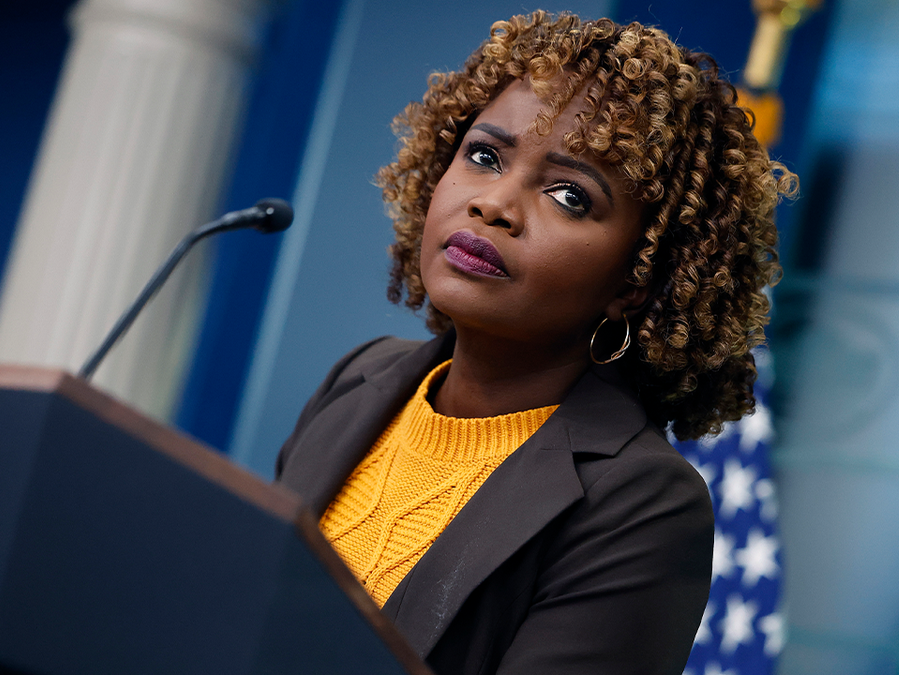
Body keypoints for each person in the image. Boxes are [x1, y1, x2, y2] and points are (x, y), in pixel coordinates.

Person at [274, 10, 797, 675]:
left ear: (639, 279)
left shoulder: (641, 503)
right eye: (485, 155)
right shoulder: (360, 378)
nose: (495, 203)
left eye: (569, 195)